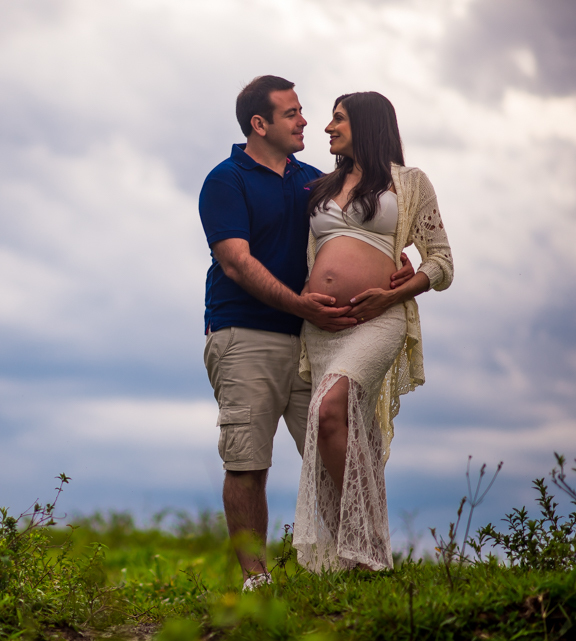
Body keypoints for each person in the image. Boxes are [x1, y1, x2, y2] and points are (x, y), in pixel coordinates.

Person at [198, 77, 415, 590]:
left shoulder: (316, 181)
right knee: (248, 459)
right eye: (293, 113)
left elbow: (352, 229)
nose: (306, 122)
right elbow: (236, 263)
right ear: (260, 124)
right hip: (244, 334)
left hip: (315, 339)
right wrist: (299, 303)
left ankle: (364, 564)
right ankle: (257, 577)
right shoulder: (226, 180)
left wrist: (396, 259)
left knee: (343, 444)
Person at [293, 91, 454, 572]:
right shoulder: (322, 186)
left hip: (377, 319)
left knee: (329, 409)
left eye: (337, 119)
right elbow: (313, 256)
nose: (326, 128)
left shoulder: (409, 182)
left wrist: (393, 295)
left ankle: (364, 547)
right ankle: (363, 557)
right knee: (340, 431)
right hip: (324, 329)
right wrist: (309, 295)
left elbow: (442, 262)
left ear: (365, 123)